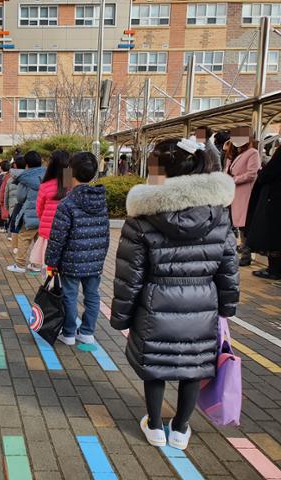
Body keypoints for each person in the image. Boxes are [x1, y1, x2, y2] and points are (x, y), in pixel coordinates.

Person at [110, 138, 239, 451]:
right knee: (192, 367)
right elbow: (228, 267)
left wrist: (121, 315)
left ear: (160, 172)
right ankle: (180, 429)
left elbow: (130, 274)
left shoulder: (141, 216)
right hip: (203, 305)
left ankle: (154, 425)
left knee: (155, 366)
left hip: (154, 305)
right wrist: (227, 306)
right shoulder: (219, 214)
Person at [45, 152, 108, 345]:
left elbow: (57, 238)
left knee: (69, 295)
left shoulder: (67, 203)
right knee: (92, 294)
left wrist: (51, 261)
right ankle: (88, 332)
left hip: (71, 260)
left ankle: (69, 333)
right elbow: (105, 232)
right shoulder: (101, 201)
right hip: (95, 259)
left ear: (70, 173)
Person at [224, 131, 261, 266]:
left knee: (244, 225)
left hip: (245, 192)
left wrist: (233, 180)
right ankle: (236, 251)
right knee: (235, 223)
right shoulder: (233, 154)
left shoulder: (252, 153)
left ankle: (246, 254)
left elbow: (252, 174)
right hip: (232, 193)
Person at [30, 150, 71, 268]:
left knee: (49, 269)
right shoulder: (70, 184)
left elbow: (39, 210)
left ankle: (51, 285)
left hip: (48, 235)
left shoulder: (45, 185)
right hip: (68, 234)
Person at [246, 145, 281, 280]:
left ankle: (274, 269)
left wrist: (262, 171)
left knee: (273, 235)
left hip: (275, 200)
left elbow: (267, 174)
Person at [7, 151, 46, 273]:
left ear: (27, 164)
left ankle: (19, 264)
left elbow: (20, 197)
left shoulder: (25, 177)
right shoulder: (47, 174)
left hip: (29, 213)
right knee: (38, 239)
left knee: (24, 237)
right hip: (44, 213)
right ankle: (36, 264)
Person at [5, 155, 26, 248]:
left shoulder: (10, 178)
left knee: (15, 225)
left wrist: (6, 205)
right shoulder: (30, 177)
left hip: (13, 205)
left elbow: (5, 193)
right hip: (27, 206)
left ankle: (15, 248)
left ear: (15, 165)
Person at [0, 160, 11, 233]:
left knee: (6, 216)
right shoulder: (12, 175)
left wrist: (1, 201)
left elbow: (2, 190)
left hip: (6, 200)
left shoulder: (4, 177)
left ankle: (6, 229)